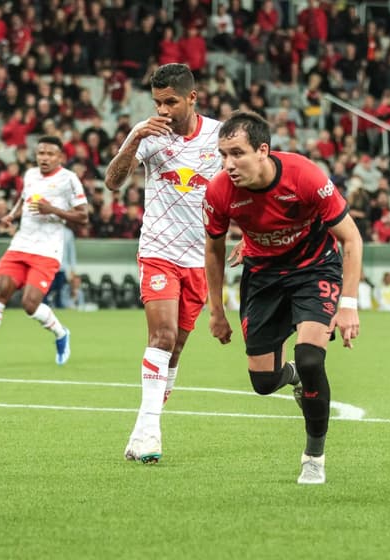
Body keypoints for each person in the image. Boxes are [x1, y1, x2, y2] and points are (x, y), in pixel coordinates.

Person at [203, 111, 363, 485]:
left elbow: (352, 239)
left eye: (237, 153)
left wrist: (349, 305)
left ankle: (314, 456)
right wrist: (216, 310)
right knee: (262, 383)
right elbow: (212, 251)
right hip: (263, 279)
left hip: (314, 271)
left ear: (263, 150)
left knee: (310, 359)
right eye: (223, 154)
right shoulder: (219, 191)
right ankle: (287, 376)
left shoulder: (304, 176)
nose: (228, 164)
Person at [104, 63, 224, 464]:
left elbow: (240, 188)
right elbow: (112, 181)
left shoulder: (219, 137)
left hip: (201, 258)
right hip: (158, 250)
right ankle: (152, 433)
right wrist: (134, 139)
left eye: (171, 101)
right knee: (163, 337)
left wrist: (246, 236)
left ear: (192, 97)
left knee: (175, 352)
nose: (163, 110)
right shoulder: (148, 133)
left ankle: (141, 429)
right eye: (157, 102)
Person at [0, 136, 88, 369]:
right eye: (41, 153)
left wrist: (53, 210)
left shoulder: (69, 179)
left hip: (48, 250)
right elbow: (23, 199)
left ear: (60, 157)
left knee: (30, 303)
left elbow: (83, 216)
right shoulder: (30, 175)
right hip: (21, 244)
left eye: (50, 154)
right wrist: (12, 215)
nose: (44, 158)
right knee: (1, 289)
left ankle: (60, 333)